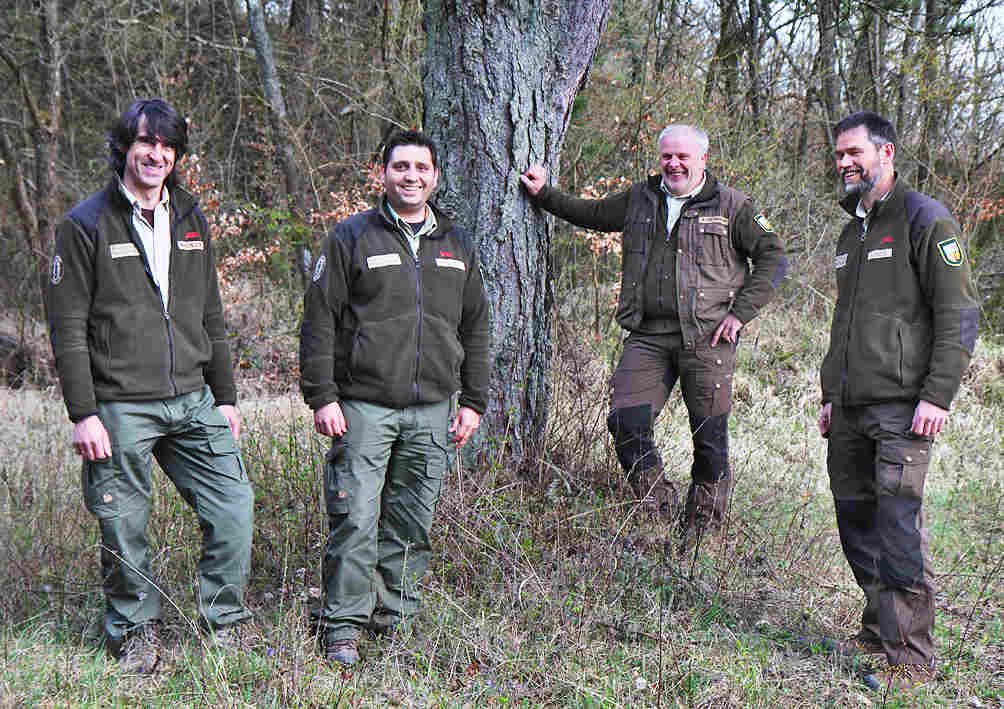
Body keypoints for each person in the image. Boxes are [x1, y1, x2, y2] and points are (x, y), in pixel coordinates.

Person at [44, 99, 254, 671]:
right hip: (119, 406)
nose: (156, 154)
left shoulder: (190, 217)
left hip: (192, 399)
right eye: (145, 143)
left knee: (234, 506)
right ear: (124, 148)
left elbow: (211, 314)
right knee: (123, 523)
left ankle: (225, 623)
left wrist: (226, 397)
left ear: (176, 154)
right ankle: (135, 634)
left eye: (167, 145)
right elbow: (67, 330)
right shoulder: (84, 224)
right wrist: (84, 413)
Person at [520, 125, 787, 543]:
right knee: (626, 422)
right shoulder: (640, 198)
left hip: (707, 338)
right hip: (647, 336)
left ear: (703, 158)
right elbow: (590, 213)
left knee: (709, 438)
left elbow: (773, 257)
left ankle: (703, 536)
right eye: (667, 157)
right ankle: (660, 513)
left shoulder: (733, 205)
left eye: (683, 157)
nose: (674, 164)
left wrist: (740, 314)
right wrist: (544, 195)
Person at [299, 129, 491, 666]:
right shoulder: (351, 237)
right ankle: (342, 628)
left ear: (435, 175)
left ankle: (395, 620)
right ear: (381, 172)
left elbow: (476, 328)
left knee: (411, 521)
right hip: (362, 406)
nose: (411, 177)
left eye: (421, 168)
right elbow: (318, 323)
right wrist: (322, 396)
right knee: (355, 517)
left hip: (432, 408)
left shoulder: (457, 244)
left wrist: (473, 401)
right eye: (400, 167)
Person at [818, 111, 979, 690]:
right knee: (854, 520)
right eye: (838, 154)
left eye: (854, 152)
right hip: (851, 408)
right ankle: (878, 621)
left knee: (897, 525)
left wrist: (937, 395)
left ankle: (908, 661)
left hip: (904, 408)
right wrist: (831, 394)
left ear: (886, 153)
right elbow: (845, 324)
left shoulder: (924, 219)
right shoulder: (850, 229)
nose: (844, 163)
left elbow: (960, 314)